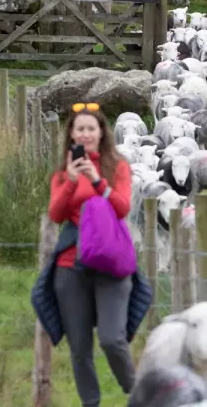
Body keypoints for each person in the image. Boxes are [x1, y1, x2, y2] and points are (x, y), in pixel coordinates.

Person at [37, 103, 139, 407]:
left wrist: (97, 180)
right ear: (71, 134)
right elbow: (56, 215)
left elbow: (122, 207)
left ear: (101, 133)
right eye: (79, 129)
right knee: (79, 347)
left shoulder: (117, 166)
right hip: (71, 266)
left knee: (112, 339)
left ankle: (139, 395)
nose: (84, 134)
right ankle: (90, 403)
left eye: (90, 129)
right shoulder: (61, 174)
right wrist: (70, 180)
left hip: (110, 263)